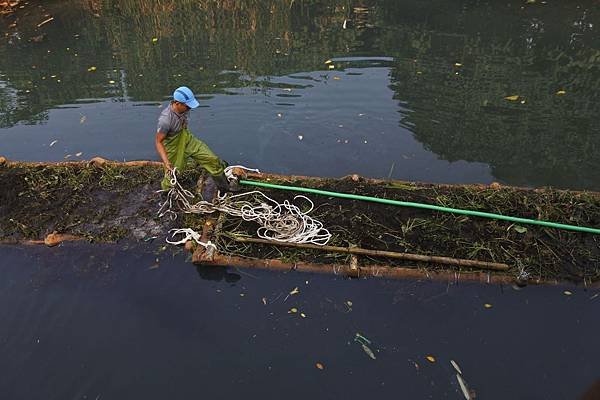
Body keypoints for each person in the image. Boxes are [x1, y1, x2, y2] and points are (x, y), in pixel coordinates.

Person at [154, 86, 235, 197]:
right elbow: (158, 142)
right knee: (172, 175)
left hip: (187, 139)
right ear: (177, 103)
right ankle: (166, 195)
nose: (189, 109)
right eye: (187, 106)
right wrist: (166, 161)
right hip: (174, 147)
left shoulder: (183, 109)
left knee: (212, 159)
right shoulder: (165, 120)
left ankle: (224, 188)